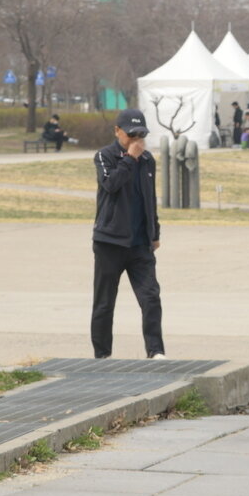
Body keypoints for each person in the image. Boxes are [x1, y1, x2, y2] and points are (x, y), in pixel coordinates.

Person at [91, 109, 164, 359]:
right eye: (131, 134)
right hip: (109, 242)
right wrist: (129, 159)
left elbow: (150, 199)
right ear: (117, 131)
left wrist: (154, 232)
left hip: (140, 244)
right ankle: (102, 354)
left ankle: (156, 351)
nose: (136, 140)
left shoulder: (148, 160)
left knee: (151, 297)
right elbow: (110, 184)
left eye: (141, 134)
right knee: (104, 302)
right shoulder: (104, 156)